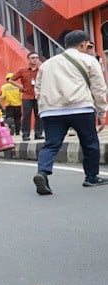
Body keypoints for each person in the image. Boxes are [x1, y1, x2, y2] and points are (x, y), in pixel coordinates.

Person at [32, 31, 108, 195]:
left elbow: (37, 89)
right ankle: (91, 177)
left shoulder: (47, 64)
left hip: (51, 111)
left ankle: (42, 172)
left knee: (51, 144)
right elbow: (99, 87)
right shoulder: (89, 60)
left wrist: (45, 107)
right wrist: (102, 112)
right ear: (82, 44)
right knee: (89, 143)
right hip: (81, 108)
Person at [11, 52, 44, 140]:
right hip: (26, 96)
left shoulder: (41, 70)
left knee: (39, 115)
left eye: (37, 57)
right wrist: (20, 86)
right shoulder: (22, 70)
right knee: (26, 116)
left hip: (38, 96)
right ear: (28, 60)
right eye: (33, 58)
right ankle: (25, 134)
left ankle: (38, 134)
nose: (35, 59)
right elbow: (11, 80)